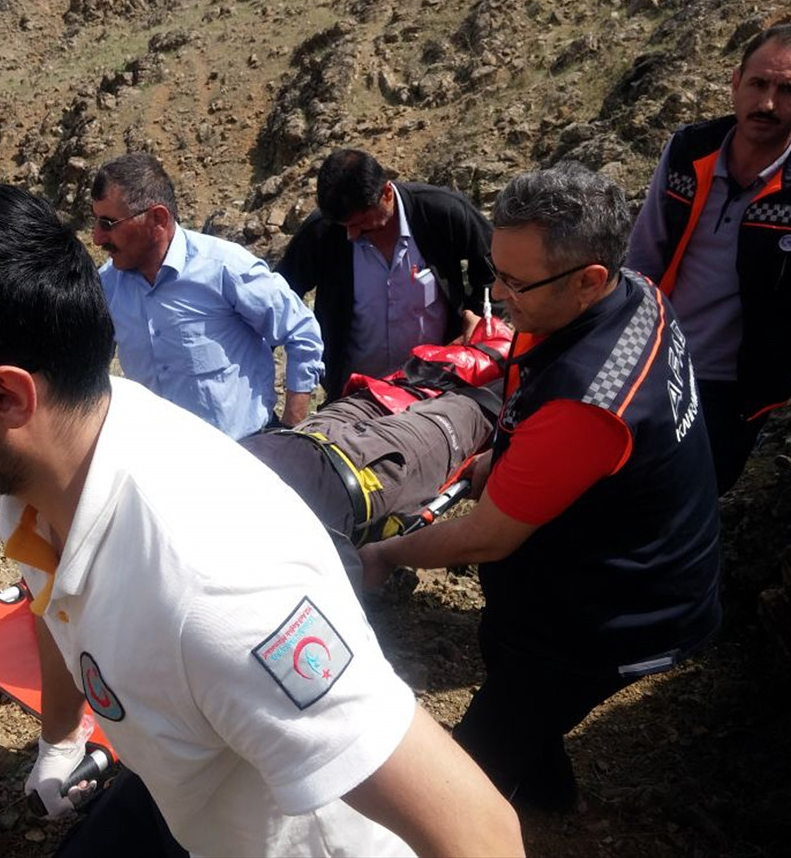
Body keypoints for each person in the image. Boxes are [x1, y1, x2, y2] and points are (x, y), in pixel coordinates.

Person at [0, 181, 524, 857]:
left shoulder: (217, 593)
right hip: (194, 786)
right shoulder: (48, 475)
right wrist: (59, 739)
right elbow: (55, 605)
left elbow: (479, 830)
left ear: (8, 397)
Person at [361, 164, 723, 813]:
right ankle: (547, 800)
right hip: (604, 563)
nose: (498, 296)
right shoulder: (636, 292)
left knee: (470, 769)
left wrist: (385, 554)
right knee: (510, 664)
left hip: (615, 615)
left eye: (517, 282)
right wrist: (506, 460)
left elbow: (487, 538)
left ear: (588, 279)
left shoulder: (589, 400)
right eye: (495, 271)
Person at [627, 22, 791, 493]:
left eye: (789, 90)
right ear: (735, 82)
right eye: (758, 83)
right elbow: (643, 257)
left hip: (739, 389)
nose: (767, 103)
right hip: (655, 359)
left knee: (695, 495)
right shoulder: (688, 150)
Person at [243, 314, 511, 586]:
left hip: (334, 435)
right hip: (345, 461)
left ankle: (499, 356)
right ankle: (503, 359)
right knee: (472, 405)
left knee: (459, 398)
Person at [92, 153, 323, 439]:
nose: (97, 238)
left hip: (245, 451)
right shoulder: (106, 285)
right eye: (96, 222)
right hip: (162, 456)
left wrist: (291, 430)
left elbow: (301, 331)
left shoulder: (224, 268)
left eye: (108, 224)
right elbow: (87, 368)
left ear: (157, 219)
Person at [277, 148, 494, 399]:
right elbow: (278, 298)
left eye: (360, 224)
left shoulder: (441, 212)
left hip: (436, 387)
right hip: (354, 395)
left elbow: (496, 264)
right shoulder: (322, 232)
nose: (351, 235)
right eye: (345, 226)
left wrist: (478, 317)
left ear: (387, 194)